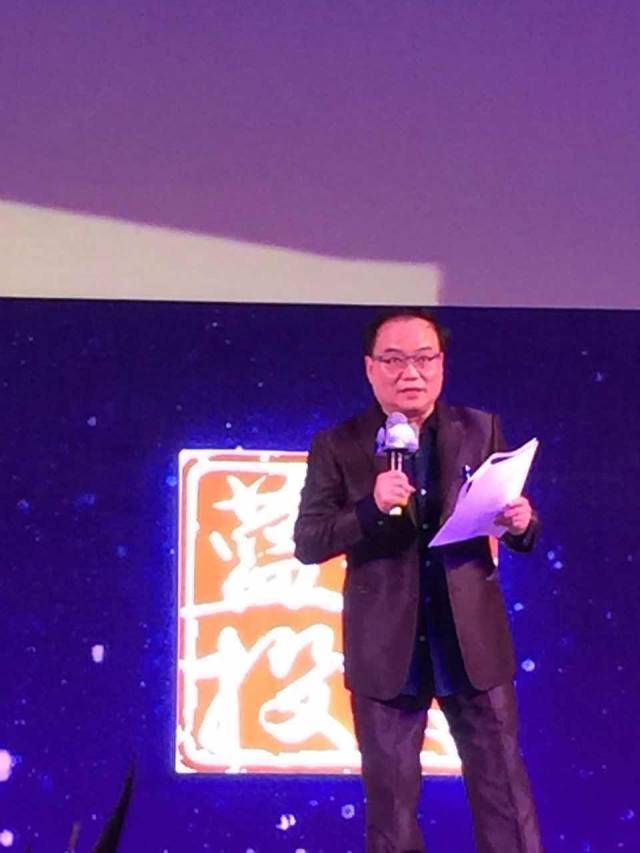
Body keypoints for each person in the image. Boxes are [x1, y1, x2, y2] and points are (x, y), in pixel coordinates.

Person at [293, 308, 542, 853]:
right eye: (394, 360)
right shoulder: (338, 444)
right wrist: (368, 508)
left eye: (424, 358)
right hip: (386, 648)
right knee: (392, 807)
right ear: (370, 368)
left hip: (470, 640)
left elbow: (511, 521)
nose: (411, 372)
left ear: (442, 364)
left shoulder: (480, 428)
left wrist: (522, 524)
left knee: (504, 791)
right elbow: (309, 541)